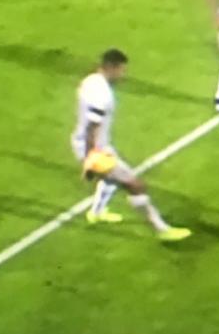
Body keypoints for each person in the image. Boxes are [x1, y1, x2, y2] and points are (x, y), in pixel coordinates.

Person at [70, 49, 192, 242]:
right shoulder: (102, 95)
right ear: (111, 67)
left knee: (111, 179)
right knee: (136, 186)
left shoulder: (90, 81)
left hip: (93, 144)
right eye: (121, 70)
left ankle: (96, 212)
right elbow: (92, 128)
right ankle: (162, 230)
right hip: (95, 149)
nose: (123, 75)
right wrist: (91, 160)